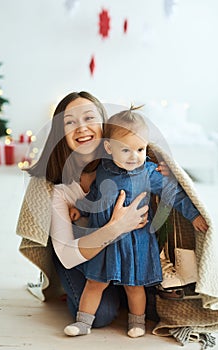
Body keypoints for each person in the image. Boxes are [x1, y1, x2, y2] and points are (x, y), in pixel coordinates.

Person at [63, 108, 208, 338]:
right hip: (105, 240)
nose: (134, 156)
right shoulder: (103, 170)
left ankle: (136, 322)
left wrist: (194, 215)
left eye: (140, 149)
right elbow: (95, 197)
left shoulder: (149, 172)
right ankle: (83, 322)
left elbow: (175, 193)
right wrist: (79, 209)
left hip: (135, 242)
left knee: (134, 286)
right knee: (95, 283)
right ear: (109, 149)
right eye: (126, 150)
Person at [18, 91, 152, 329]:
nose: (81, 128)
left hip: (125, 251)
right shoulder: (58, 188)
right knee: (101, 315)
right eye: (70, 122)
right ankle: (70, 287)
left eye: (89, 118)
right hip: (77, 257)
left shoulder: (124, 159)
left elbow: (149, 157)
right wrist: (118, 226)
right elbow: (69, 256)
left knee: (150, 300)